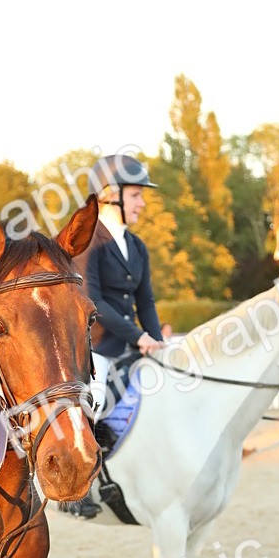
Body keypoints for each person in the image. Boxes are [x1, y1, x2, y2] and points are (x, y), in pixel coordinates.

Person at [76, 153, 166, 418]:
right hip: (97, 351)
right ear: (111, 195)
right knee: (93, 410)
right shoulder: (88, 242)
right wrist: (138, 336)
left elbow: (145, 301)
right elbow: (94, 302)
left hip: (131, 348)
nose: (142, 203)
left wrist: (157, 342)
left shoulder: (137, 246)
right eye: (135, 195)